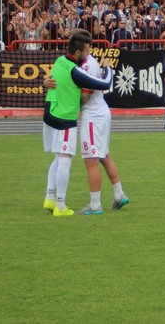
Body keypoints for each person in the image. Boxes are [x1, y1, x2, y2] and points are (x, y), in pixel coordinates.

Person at [44, 51, 130, 214]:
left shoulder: (86, 65)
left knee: (91, 160)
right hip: (100, 113)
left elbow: (85, 96)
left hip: (93, 116)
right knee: (104, 155)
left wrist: (66, 98)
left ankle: (95, 205)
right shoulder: (80, 63)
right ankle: (119, 194)